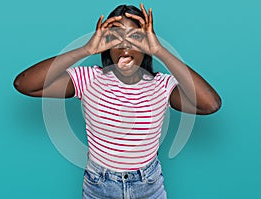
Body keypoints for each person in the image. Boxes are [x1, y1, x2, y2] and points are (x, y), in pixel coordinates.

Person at [14, 3, 221, 199]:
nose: (125, 46)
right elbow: (24, 84)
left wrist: (159, 50)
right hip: (98, 187)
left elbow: (210, 104)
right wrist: (85, 50)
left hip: (149, 187)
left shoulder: (162, 85)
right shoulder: (89, 79)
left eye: (135, 37)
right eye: (116, 38)